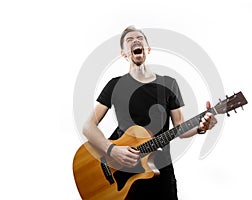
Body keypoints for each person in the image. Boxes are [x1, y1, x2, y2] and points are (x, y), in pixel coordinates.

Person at [83, 26, 218, 200]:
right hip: (122, 173)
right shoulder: (114, 85)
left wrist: (201, 127)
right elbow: (88, 126)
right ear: (124, 54)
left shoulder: (169, 84)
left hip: (160, 170)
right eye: (129, 40)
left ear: (148, 49)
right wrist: (112, 150)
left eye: (140, 38)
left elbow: (180, 128)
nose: (135, 41)